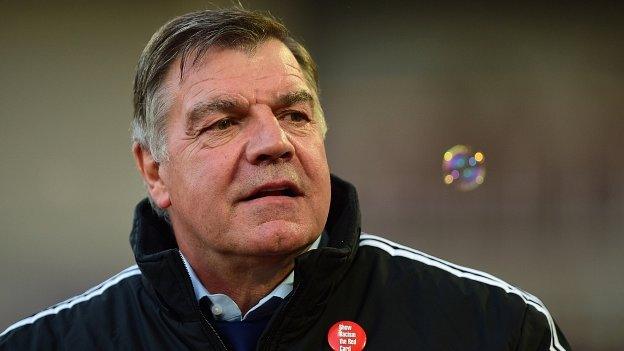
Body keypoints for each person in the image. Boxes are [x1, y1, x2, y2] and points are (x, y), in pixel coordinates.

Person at [0, 7, 571, 351]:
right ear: (155, 170)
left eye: (295, 115)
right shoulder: (45, 346)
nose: (274, 143)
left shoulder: (495, 330)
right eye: (223, 123)